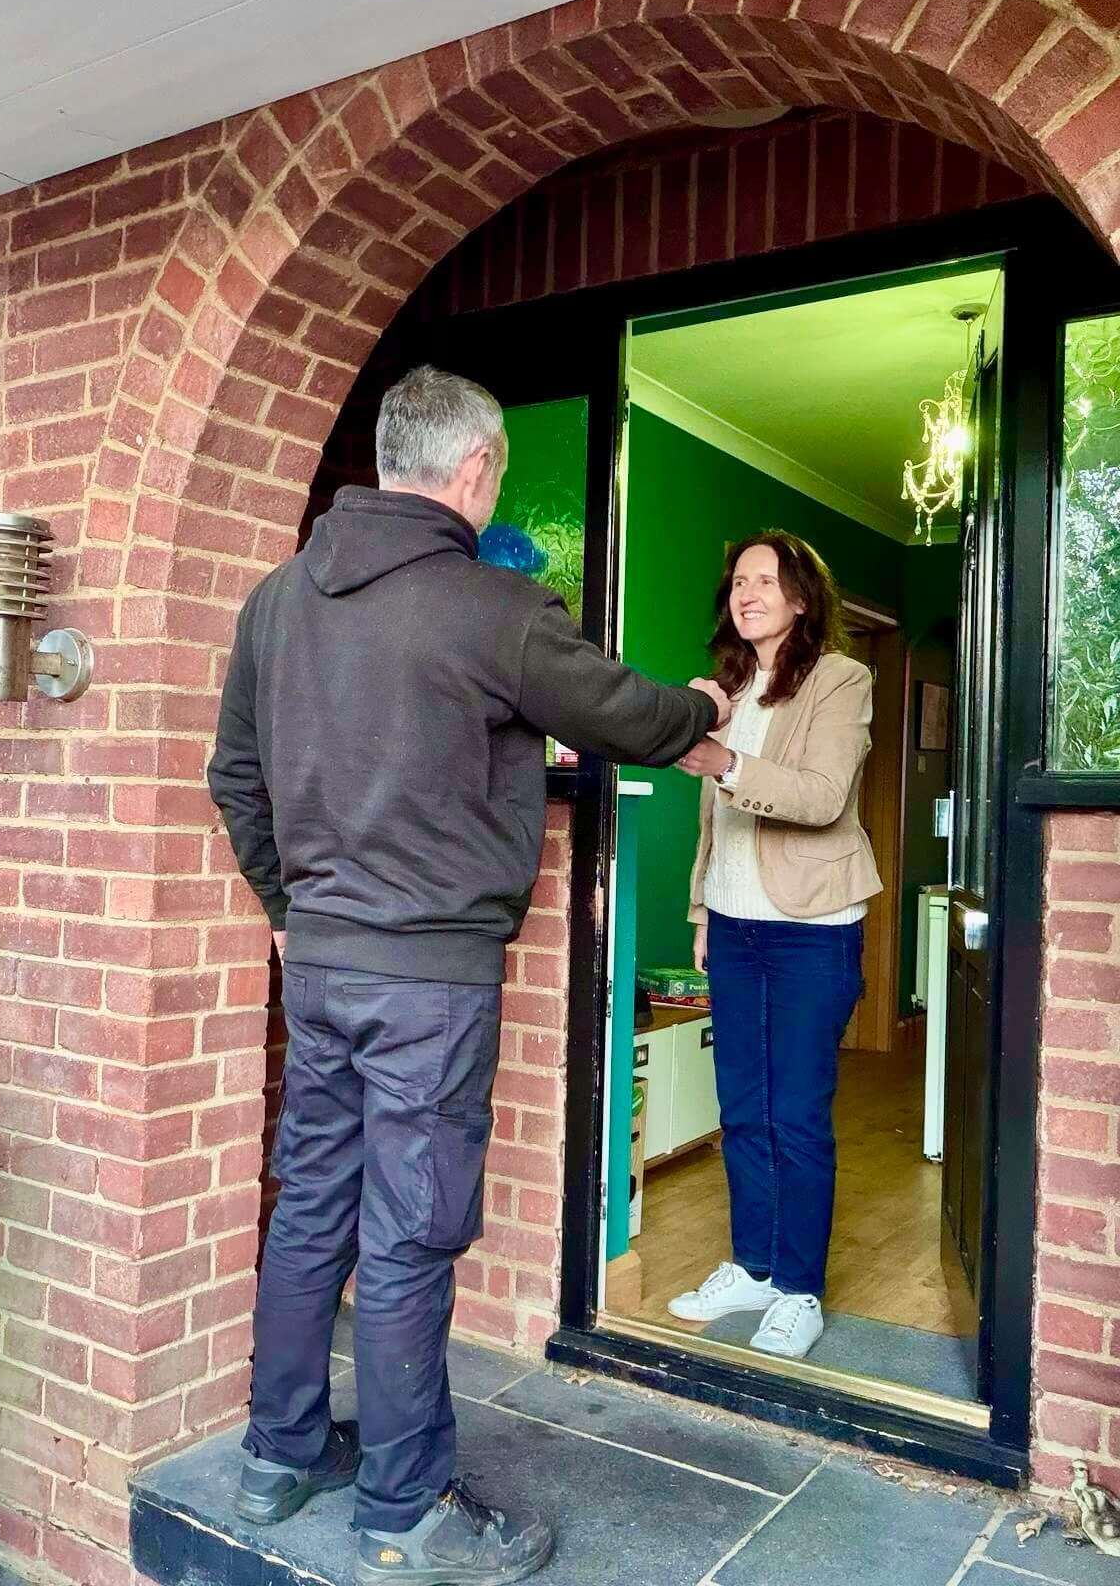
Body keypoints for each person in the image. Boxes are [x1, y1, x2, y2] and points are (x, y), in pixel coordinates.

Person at [207, 365, 726, 1586]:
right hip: (429, 981)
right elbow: (621, 710)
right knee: (408, 1230)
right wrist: (702, 702)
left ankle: (277, 1455)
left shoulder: (276, 602)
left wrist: (291, 912)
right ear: (476, 468)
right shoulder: (488, 606)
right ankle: (401, 1504)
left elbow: (235, 782)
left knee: (312, 1207)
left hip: (323, 965)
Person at [669, 532, 882, 1361]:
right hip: (733, 926)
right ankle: (754, 1266)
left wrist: (722, 756)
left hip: (810, 932)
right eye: (738, 581)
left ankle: (799, 1289)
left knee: (794, 1115)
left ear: (801, 596)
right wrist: (699, 913)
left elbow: (824, 797)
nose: (747, 591)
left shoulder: (841, 679)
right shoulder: (724, 688)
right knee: (741, 1112)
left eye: (767, 579)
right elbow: (712, 822)